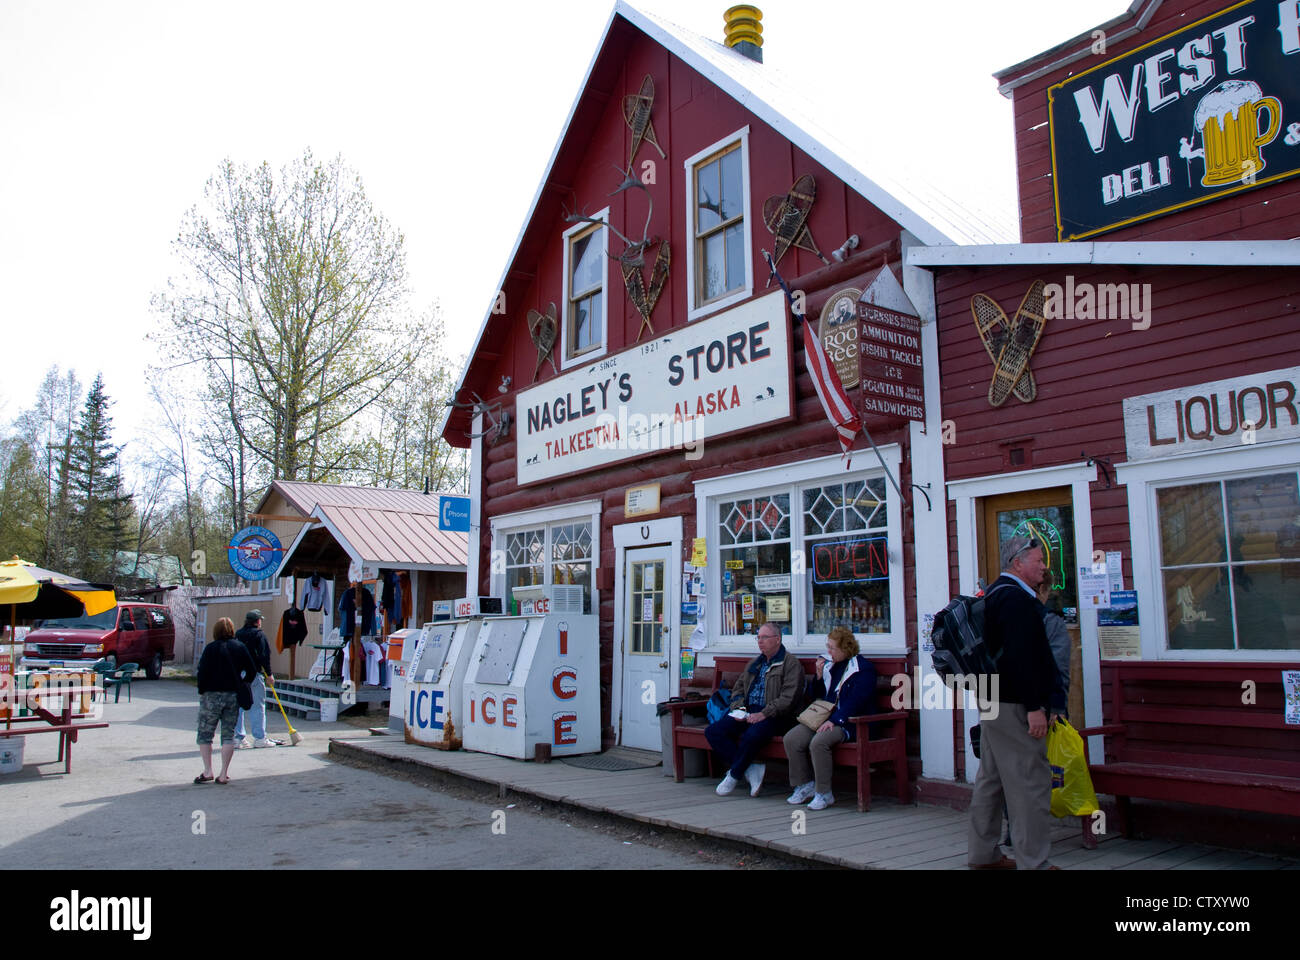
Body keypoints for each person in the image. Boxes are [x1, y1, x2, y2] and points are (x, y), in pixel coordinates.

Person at [967, 536, 1064, 870]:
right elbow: (1022, 660)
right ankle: (1033, 863)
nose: (1043, 567)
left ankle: (983, 856)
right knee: (1029, 783)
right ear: (1018, 562)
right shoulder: (1016, 601)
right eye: (1038, 561)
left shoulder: (993, 595)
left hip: (991, 700)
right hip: (1014, 705)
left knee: (990, 779)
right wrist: (1036, 706)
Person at [705, 623, 803, 797]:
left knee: (752, 735)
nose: (760, 642)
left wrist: (764, 713)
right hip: (748, 711)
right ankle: (750, 769)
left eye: (764, 638)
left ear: (777, 639)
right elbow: (738, 689)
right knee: (714, 731)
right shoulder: (755, 663)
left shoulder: (790, 664)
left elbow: (788, 699)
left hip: (776, 715)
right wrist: (740, 708)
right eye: (758, 637)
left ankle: (734, 775)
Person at [784, 625, 876, 810]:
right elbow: (817, 696)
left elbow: (856, 703)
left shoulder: (863, 669)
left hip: (851, 722)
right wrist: (818, 676)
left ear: (845, 648)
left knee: (819, 742)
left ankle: (824, 793)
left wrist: (835, 721)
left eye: (832, 648)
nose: (828, 651)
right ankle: (805, 785)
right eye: (828, 647)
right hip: (825, 716)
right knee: (792, 738)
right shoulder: (831, 666)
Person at [195, 617, 258, 784]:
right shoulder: (240, 647)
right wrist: (244, 683)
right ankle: (223, 774)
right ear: (231, 630)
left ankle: (208, 771)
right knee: (228, 735)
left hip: (211, 696)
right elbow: (252, 670)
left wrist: (202, 690)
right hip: (232, 695)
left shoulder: (210, 649)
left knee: (205, 735)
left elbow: (201, 672)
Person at [233, 609, 279, 748]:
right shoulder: (259, 635)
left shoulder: (238, 635)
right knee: (257, 706)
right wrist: (269, 674)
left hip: (239, 674)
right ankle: (259, 738)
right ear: (258, 621)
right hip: (254, 673)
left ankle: (237, 737)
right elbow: (264, 656)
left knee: (239, 706)